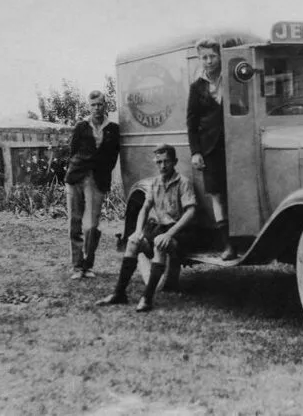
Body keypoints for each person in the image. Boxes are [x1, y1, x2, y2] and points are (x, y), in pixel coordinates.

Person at [96, 144, 197, 312]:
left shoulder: (183, 183)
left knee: (159, 242)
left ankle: (147, 298)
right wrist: (137, 232)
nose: (163, 166)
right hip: (159, 228)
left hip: (180, 232)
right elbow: (144, 208)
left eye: (167, 162)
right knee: (133, 243)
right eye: (159, 162)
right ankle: (119, 293)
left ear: (175, 162)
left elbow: (191, 212)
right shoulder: (155, 182)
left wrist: (169, 234)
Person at [186, 37, 236, 260]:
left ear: (220, 55)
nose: (208, 61)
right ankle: (227, 245)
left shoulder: (233, 78)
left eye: (212, 56)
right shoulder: (197, 87)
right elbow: (192, 121)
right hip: (210, 148)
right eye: (204, 57)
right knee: (217, 195)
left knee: (236, 192)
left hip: (236, 143)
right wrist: (195, 152)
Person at [64, 90, 120, 280]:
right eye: (93, 105)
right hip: (76, 178)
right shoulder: (81, 126)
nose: (97, 108)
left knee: (92, 226)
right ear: (89, 106)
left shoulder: (113, 128)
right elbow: (72, 151)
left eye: (100, 104)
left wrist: (102, 172)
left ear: (106, 105)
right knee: (75, 223)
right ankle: (77, 266)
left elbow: (113, 156)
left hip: (97, 180)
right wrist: (77, 169)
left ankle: (88, 265)